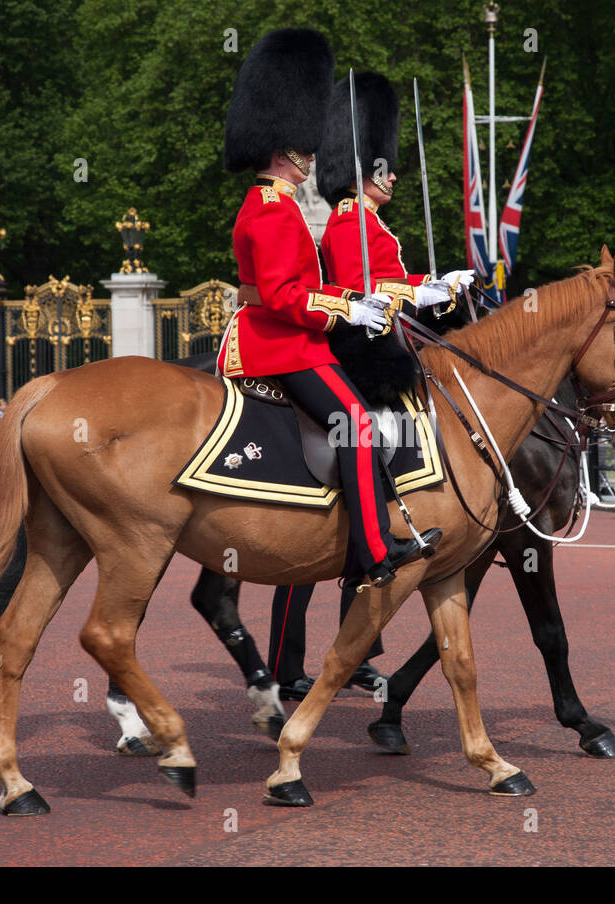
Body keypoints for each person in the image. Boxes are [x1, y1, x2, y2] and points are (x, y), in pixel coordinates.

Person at [217, 27, 439, 590]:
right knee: (357, 424)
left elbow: (303, 286)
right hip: (279, 343)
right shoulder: (269, 209)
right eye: (305, 145)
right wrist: (345, 311)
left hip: (295, 337)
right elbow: (283, 297)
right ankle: (371, 550)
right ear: (283, 146)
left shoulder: (281, 206)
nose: (314, 154)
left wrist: (354, 302)